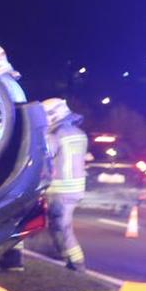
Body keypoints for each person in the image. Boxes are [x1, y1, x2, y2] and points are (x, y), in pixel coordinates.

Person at [43, 97, 88, 271]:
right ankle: (72, 260)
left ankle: (76, 263)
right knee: (64, 225)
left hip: (59, 190)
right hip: (76, 189)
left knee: (61, 226)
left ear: (54, 115)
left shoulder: (55, 135)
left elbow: (46, 155)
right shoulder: (79, 133)